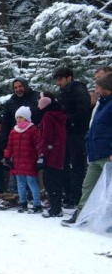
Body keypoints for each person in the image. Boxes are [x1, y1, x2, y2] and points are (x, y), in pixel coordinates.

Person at [63, 73, 112, 226]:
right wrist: (88, 142)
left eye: (98, 87)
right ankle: (81, 215)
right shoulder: (101, 104)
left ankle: (108, 221)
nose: (95, 90)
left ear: (106, 88)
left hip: (108, 155)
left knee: (109, 191)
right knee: (87, 186)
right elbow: (94, 127)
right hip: (95, 154)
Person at [54, 67, 92, 209]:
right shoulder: (64, 91)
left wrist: (66, 119)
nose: (58, 83)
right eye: (57, 80)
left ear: (69, 78)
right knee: (65, 165)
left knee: (77, 165)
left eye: (60, 79)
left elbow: (83, 112)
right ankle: (68, 194)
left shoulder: (79, 90)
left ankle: (76, 196)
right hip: (67, 132)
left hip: (77, 133)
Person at [3, 106, 42, 213]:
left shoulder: (33, 130)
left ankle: (37, 204)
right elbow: (9, 146)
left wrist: (39, 158)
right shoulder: (14, 131)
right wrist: (7, 157)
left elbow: (38, 145)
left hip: (29, 161)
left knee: (32, 182)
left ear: (26, 118)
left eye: (21, 117)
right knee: (20, 183)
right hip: (17, 162)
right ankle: (23, 203)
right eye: (17, 117)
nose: (18, 119)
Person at [36, 92, 67, 218]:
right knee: (56, 180)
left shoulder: (47, 116)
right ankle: (56, 206)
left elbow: (46, 137)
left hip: (50, 153)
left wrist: (42, 155)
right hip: (58, 152)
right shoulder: (59, 115)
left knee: (49, 181)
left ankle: (55, 208)